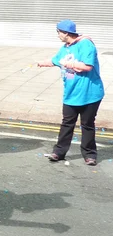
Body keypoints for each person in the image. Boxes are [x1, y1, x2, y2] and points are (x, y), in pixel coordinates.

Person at [37, 20, 104, 166]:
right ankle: (59, 152)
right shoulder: (65, 47)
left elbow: (87, 66)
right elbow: (56, 60)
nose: (58, 35)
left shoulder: (86, 44)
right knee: (67, 123)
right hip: (71, 93)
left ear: (66, 33)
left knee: (87, 124)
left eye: (58, 32)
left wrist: (69, 64)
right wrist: (42, 63)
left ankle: (89, 154)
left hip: (89, 93)